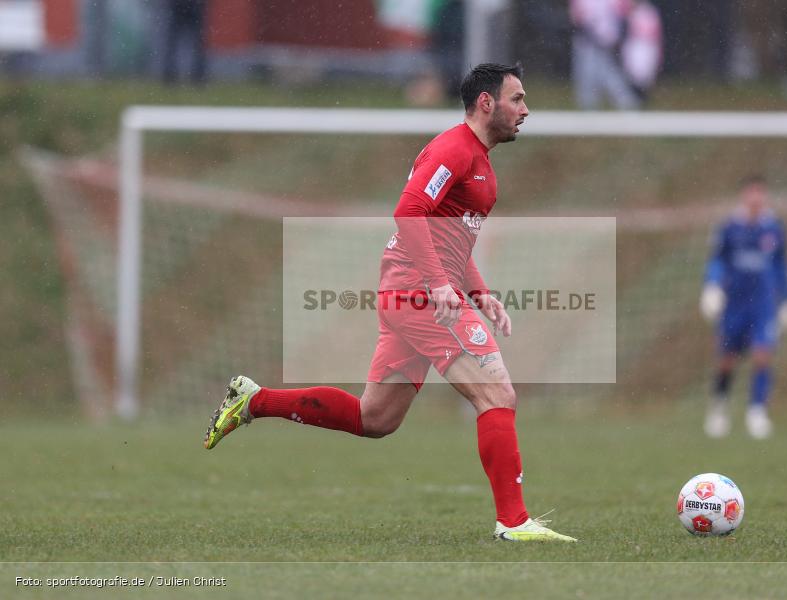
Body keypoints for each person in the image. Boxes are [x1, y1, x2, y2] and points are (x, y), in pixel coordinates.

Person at [203, 64, 576, 543]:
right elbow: (408, 211)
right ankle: (514, 522)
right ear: (487, 102)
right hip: (418, 294)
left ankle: (254, 400)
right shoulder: (454, 149)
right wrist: (441, 286)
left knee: (374, 418)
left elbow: (449, 240)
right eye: (517, 99)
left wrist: (479, 292)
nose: (525, 110)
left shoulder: (480, 163)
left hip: (412, 293)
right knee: (496, 394)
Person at [700, 176, 787, 439]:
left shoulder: (774, 228)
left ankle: (757, 412)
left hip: (763, 304)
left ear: (764, 198)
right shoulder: (730, 227)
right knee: (727, 360)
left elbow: (780, 266)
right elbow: (717, 260)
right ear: (744, 197)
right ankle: (719, 408)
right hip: (734, 303)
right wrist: (712, 286)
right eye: (751, 195)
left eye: (760, 195)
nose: (755, 200)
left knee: (762, 355)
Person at [569, 0, 640, 110]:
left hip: (610, 44)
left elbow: (625, 14)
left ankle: (628, 106)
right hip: (587, 44)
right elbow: (578, 20)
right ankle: (588, 112)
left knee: (612, 77)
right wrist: (596, 39)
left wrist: (617, 39)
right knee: (588, 78)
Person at [161, 0, 207, 84]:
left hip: (179, 5)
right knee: (197, 43)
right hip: (192, 6)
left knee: (172, 43)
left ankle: (170, 75)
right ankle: (198, 76)